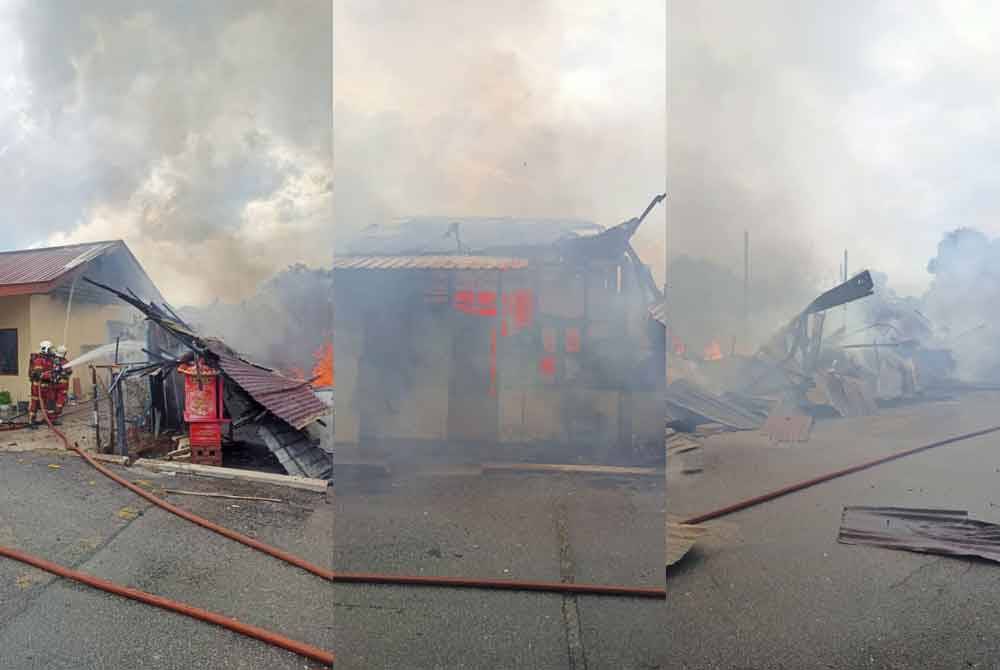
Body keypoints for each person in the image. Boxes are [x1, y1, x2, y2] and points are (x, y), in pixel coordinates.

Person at [28, 341, 56, 427]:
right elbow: (38, 374)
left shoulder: (49, 360)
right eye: (50, 349)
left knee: (50, 402)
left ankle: (50, 420)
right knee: (35, 403)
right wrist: (50, 376)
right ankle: (32, 421)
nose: (52, 351)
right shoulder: (39, 360)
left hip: (47, 386)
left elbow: (50, 371)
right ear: (46, 349)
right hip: (38, 387)